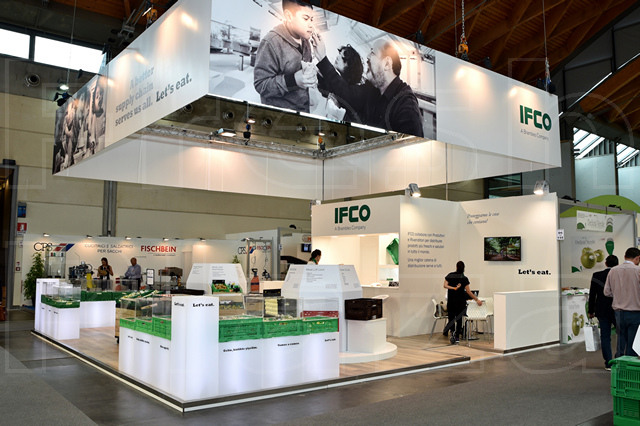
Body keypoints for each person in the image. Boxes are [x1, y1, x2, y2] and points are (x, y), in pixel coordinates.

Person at [313, 35, 424, 137]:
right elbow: (347, 92)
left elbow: (412, 147)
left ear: (387, 64)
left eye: (372, 53)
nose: (367, 57)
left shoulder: (406, 105)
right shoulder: (372, 89)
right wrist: (322, 60)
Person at [254, 0, 317, 113]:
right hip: (279, 116)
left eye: (312, 19)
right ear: (289, 16)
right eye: (306, 18)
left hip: (303, 111)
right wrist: (293, 80)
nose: (311, 24)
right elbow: (260, 85)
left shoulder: (306, 41)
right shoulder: (271, 42)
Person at [604, 247, 640, 356]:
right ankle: (629, 363)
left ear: (624, 257)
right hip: (635, 312)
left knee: (620, 340)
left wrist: (618, 296)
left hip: (618, 312)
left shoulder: (613, 270)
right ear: (637, 258)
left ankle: (619, 361)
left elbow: (606, 292)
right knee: (633, 344)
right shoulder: (638, 271)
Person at [317, 44, 363, 123]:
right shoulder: (338, 84)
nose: (338, 57)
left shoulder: (353, 92)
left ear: (351, 66)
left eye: (343, 58)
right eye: (339, 54)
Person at [588, 255, 619, 370]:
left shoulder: (596, 275)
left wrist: (591, 310)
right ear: (617, 264)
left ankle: (608, 362)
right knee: (621, 335)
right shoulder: (619, 275)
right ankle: (619, 359)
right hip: (617, 309)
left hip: (602, 310)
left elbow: (592, 295)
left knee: (605, 336)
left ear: (606, 263)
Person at [442, 261, 482, 343]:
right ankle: (457, 336)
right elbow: (468, 292)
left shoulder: (450, 275)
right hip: (460, 302)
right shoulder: (464, 278)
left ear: (456, 267)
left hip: (451, 302)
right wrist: (476, 299)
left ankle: (452, 334)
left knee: (451, 318)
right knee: (459, 319)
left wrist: (453, 288)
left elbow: (445, 285)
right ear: (464, 268)